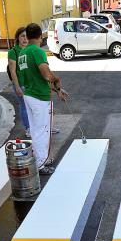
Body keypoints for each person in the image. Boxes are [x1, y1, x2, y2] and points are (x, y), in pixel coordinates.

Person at [21, 23, 69, 175]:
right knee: (43, 130)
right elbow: (44, 72)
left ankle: (38, 158)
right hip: (40, 98)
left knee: (35, 130)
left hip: (28, 95)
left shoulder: (23, 53)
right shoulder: (38, 51)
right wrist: (55, 79)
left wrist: (57, 89)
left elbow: (30, 75)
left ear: (27, 37)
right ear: (40, 36)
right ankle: (41, 163)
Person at [8, 27, 30, 137]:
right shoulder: (13, 52)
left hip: (31, 84)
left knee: (34, 106)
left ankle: (40, 126)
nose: (25, 39)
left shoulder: (30, 49)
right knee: (24, 106)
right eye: (22, 36)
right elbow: (13, 71)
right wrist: (17, 87)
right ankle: (29, 128)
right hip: (21, 85)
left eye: (27, 36)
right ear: (18, 38)